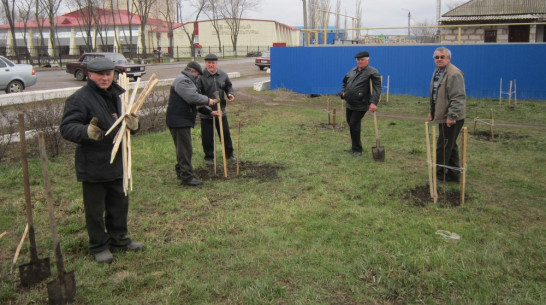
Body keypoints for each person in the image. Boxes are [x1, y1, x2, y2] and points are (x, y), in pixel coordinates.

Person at [60, 57, 144, 264]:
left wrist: (134, 126)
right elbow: (67, 127)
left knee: (119, 205)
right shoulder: (79, 99)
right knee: (95, 210)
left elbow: (126, 123)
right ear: (90, 75)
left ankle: (120, 240)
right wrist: (85, 131)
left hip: (118, 161)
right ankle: (99, 246)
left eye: (109, 74)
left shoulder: (118, 95)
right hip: (93, 164)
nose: (105, 78)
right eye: (101, 74)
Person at [166, 61, 221, 186]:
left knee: (183, 149)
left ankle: (181, 171)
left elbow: (194, 103)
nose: (198, 77)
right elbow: (193, 98)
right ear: (191, 71)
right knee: (185, 149)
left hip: (180, 120)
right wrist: (209, 101)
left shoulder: (186, 80)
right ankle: (187, 178)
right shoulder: (183, 81)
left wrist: (209, 112)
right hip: (178, 121)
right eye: (197, 75)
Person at [428, 47, 466, 183]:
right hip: (443, 115)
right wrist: (432, 112)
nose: (439, 59)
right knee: (450, 145)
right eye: (436, 57)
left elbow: (458, 97)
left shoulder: (454, 74)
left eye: (442, 57)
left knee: (442, 146)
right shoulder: (438, 71)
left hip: (451, 118)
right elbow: (435, 94)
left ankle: (438, 176)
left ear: (448, 59)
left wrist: (452, 116)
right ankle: (454, 175)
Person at [340, 51, 382, 157]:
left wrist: (373, 102)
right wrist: (343, 92)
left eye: (362, 59)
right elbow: (345, 82)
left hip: (361, 104)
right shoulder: (352, 71)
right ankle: (354, 146)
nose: (359, 61)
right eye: (358, 60)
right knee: (350, 123)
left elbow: (377, 89)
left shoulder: (373, 72)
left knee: (354, 124)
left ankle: (357, 150)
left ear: (368, 60)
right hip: (349, 103)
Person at [197, 53, 236, 164]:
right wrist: (205, 107)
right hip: (207, 112)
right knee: (207, 137)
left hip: (220, 111)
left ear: (216, 63)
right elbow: (197, 93)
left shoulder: (223, 75)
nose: (211, 65)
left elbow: (228, 85)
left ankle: (229, 155)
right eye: (209, 63)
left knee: (225, 134)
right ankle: (209, 157)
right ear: (205, 63)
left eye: (213, 63)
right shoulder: (201, 77)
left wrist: (230, 93)